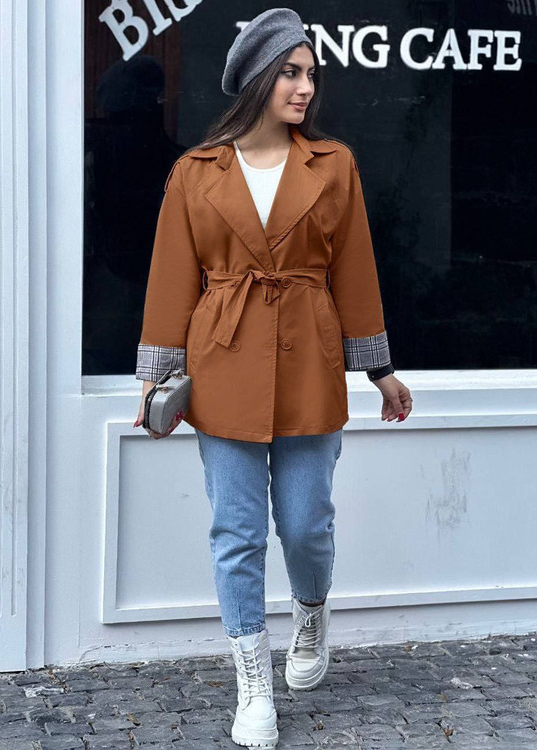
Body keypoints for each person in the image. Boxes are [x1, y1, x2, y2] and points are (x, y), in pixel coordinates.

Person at [134, 8, 413, 748]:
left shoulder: (334, 164)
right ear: (258, 76)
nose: (305, 86)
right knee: (237, 532)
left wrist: (380, 369)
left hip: (310, 358)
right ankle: (252, 681)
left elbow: (355, 271)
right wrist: (157, 379)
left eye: (310, 73)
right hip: (222, 359)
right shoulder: (196, 172)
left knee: (306, 523)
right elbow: (171, 279)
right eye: (291, 72)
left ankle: (311, 612)